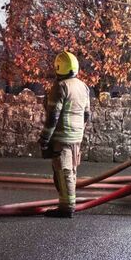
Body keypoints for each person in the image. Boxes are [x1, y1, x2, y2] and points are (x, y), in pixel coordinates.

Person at [39, 51, 91, 218]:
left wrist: (44, 138)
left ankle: (67, 207)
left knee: (63, 171)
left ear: (58, 67)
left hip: (62, 138)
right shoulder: (83, 87)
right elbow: (87, 114)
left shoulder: (60, 87)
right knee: (71, 171)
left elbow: (53, 117)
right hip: (76, 137)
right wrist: (79, 131)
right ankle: (66, 203)